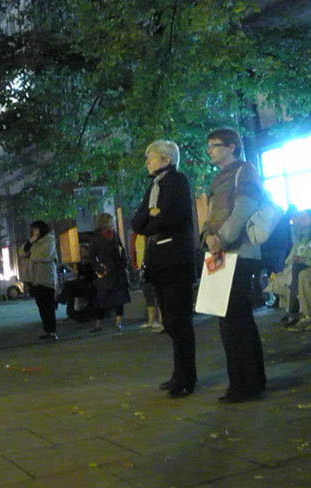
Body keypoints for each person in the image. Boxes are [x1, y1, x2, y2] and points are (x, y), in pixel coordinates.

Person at [200, 128, 266, 403]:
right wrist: (208, 236)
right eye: (209, 146)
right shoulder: (217, 177)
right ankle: (244, 381)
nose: (210, 150)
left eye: (214, 145)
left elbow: (245, 207)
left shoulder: (245, 170)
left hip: (238, 252)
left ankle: (246, 383)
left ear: (231, 147)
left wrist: (222, 238)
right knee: (227, 319)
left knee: (236, 319)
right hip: (218, 252)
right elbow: (210, 214)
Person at [131, 139, 197, 399]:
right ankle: (178, 374)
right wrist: (153, 215)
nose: (147, 163)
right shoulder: (154, 187)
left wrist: (154, 217)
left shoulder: (177, 182)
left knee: (179, 321)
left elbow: (171, 216)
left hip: (175, 261)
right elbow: (137, 222)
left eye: (151, 158)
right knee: (170, 321)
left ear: (166, 160)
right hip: (158, 262)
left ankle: (187, 377)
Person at [267, 209, 311, 326]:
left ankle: (294, 312)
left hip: (306, 265)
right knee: (283, 279)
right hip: (297, 264)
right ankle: (291, 311)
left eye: (305, 217)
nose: (301, 219)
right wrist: (288, 262)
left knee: (292, 280)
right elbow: (295, 249)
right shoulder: (300, 234)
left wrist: (301, 260)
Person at [89, 213, 131, 333]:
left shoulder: (114, 235)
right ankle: (98, 322)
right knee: (102, 297)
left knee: (119, 297)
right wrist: (99, 269)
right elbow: (92, 256)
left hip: (117, 269)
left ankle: (118, 321)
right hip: (106, 271)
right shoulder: (96, 238)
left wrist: (123, 262)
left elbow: (121, 249)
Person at [20, 220, 58, 340]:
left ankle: (53, 331)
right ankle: (47, 330)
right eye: (33, 229)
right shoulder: (33, 242)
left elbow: (41, 256)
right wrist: (30, 242)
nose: (34, 231)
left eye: (36, 229)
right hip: (34, 278)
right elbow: (22, 252)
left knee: (48, 306)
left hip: (46, 278)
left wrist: (30, 256)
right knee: (41, 306)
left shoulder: (49, 240)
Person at [130, 233, 163, 332]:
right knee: (148, 293)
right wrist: (135, 265)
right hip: (142, 267)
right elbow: (133, 251)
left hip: (153, 266)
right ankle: (151, 320)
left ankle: (161, 319)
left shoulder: (151, 234)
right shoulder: (135, 236)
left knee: (157, 293)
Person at [56, 244, 96, 321]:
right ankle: (68, 310)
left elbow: (82, 274)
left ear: (87, 251)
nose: (80, 253)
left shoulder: (90, 262)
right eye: (80, 251)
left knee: (69, 286)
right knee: (69, 288)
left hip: (89, 285)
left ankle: (60, 300)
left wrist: (68, 267)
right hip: (82, 283)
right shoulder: (81, 262)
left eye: (82, 251)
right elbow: (79, 274)